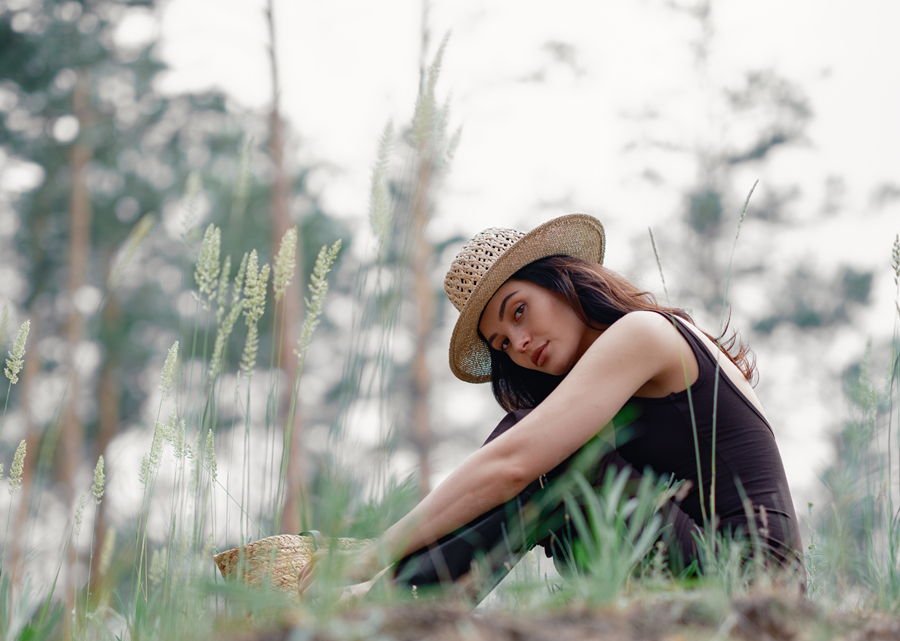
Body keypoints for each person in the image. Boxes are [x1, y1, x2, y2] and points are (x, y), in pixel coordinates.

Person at [300, 213, 803, 599]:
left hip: (752, 581)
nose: (518, 343)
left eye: (519, 311)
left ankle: (388, 601)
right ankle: (397, 601)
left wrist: (373, 553)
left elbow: (513, 464)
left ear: (560, 279)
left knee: (548, 458)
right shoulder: (611, 389)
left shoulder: (644, 333)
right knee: (544, 464)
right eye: (501, 343)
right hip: (695, 571)